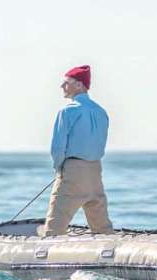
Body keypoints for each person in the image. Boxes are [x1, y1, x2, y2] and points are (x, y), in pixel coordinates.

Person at [40, 65, 114, 236]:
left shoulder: (67, 111)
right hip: (95, 171)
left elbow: (57, 148)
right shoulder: (101, 112)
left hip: (73, 172)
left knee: (54, 228)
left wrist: (59, 170)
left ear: (80, 85)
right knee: (102, 227)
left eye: (66, 82)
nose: (62, 86)